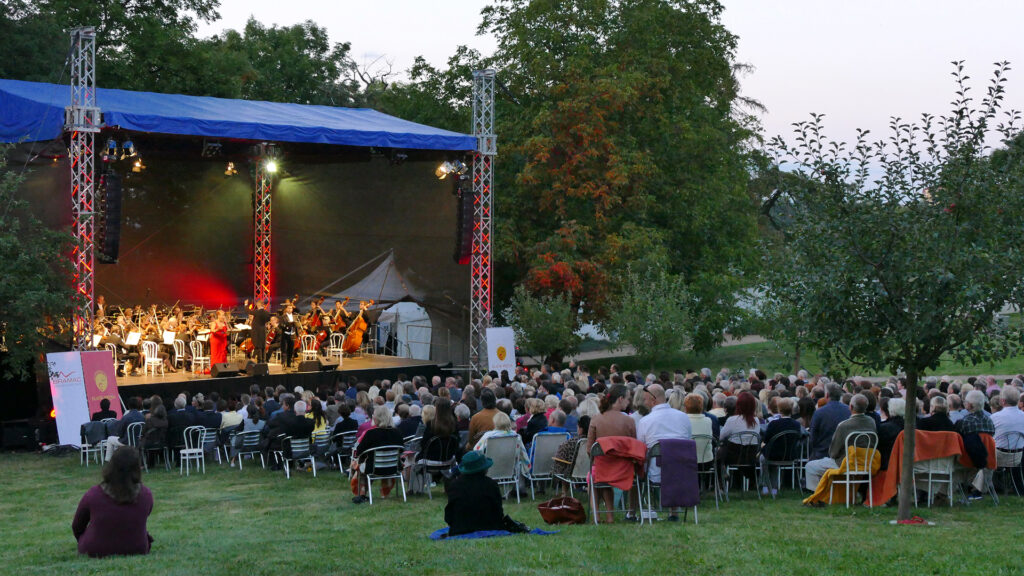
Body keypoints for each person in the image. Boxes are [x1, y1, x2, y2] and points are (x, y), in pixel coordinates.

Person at [71, 446, 154, 557]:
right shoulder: (145, 495)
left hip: (95, 549)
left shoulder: (94, 494)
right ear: (137, 468)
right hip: (136, 548)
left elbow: (77, 525)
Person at [804, 393, 877, 493]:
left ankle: (818, 495)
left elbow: (833, 452)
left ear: (850, 407)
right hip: (866, 462)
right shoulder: (872, 422)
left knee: (810, 466)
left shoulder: (844, 425)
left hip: (845, 462)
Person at [586, 384, 636, 523]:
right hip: (624, 471)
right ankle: (610, 516)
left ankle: (597, 515)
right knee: (600, 473)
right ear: (620, 399)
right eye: (627, 398)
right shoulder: (629, 421)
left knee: (593, 475)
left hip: (602, 469)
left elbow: (590, 449)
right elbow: (634, 447)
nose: (629, 402)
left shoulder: (596, 419)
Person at [444, 450, 507, 535]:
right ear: (485, 468)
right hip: (490, 527)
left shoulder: (454, 486)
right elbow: (499, 512)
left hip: (460, 529)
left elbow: (449, 515)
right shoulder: (491, 485)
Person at [352, 405, 405, 504]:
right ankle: (385, 492)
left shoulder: (370, 434)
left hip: (373, 468)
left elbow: (359, 452)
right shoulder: (397, 433)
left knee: (359, 467)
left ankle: (362, 494)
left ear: (376, 418)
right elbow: (401, 451)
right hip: (393, 467)